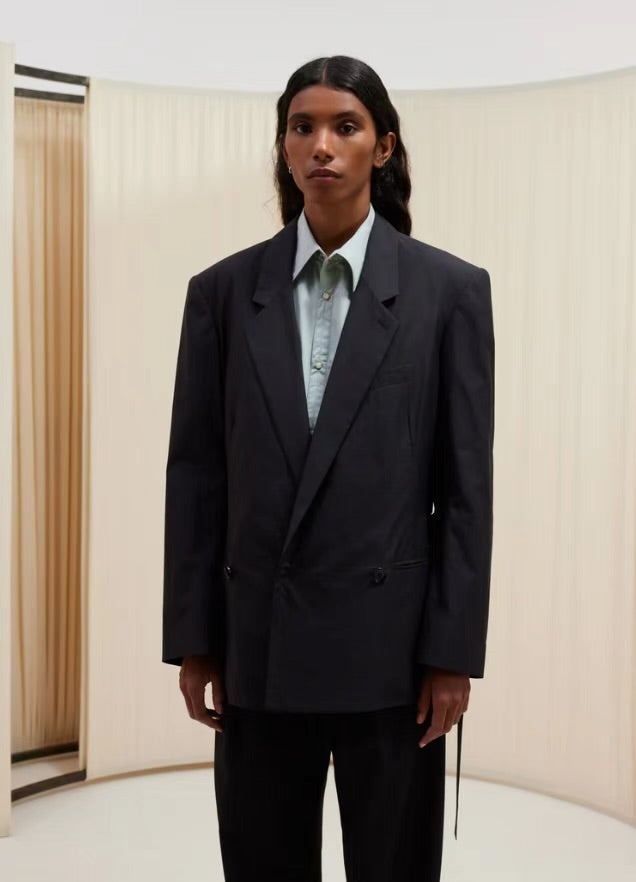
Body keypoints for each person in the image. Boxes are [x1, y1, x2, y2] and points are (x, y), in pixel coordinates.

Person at [162, 55, 494, 882]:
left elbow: (464, 493)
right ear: (283, 146)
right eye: (302, 127)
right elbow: (197, 479)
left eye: (345, 126)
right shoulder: (222, 293)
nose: (321, 145)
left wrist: (452, 653)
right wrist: (195, 643)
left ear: (383, 146)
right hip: (259, 650)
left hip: (394, 657)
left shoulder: (448, 291)